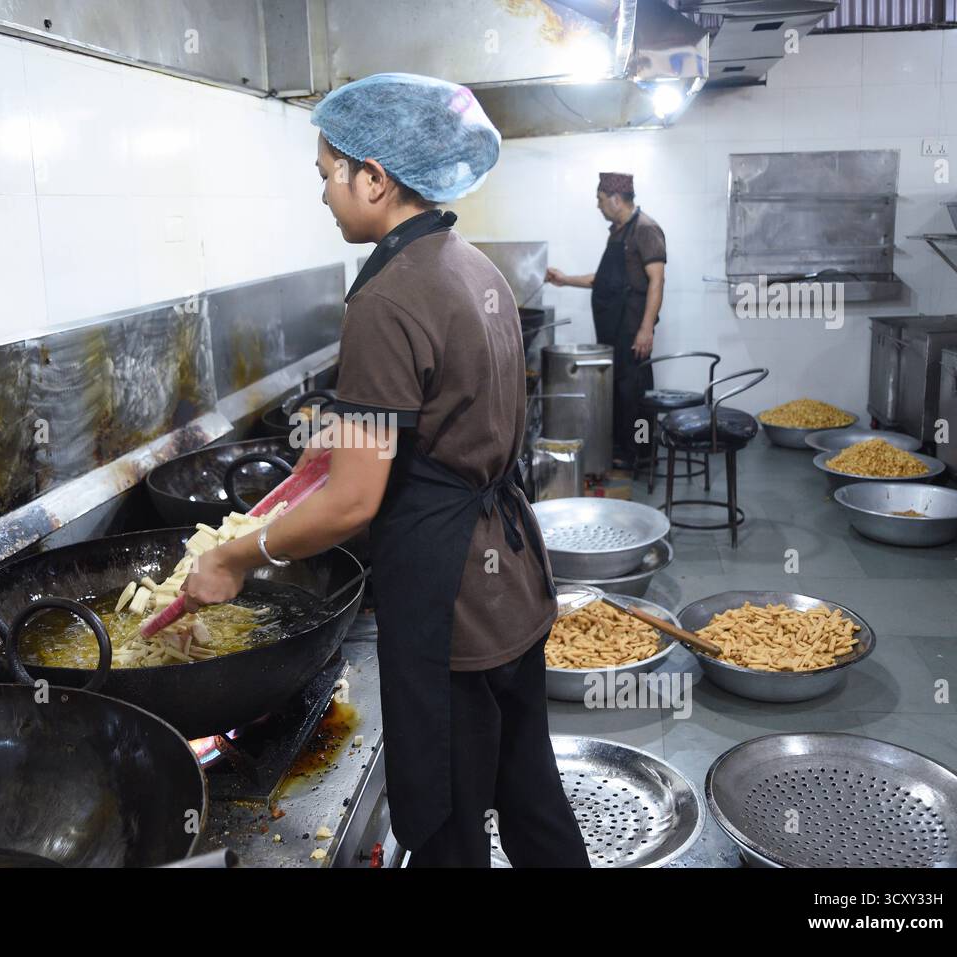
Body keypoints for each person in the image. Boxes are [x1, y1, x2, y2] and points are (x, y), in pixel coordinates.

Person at [179, 73, 590, 868]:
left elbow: (355, 504)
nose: (326, 195)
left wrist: (234, 555)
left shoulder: (386, 298)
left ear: (375, 176)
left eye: (328, 174)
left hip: (449, 610)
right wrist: (341, 437)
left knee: (442, 825)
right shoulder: (471, 267)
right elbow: (450, 417)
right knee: (533, 798)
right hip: (512, 589)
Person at [545, 173, 667, 471]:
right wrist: (565, 280)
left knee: (635, 396)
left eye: (600, 200)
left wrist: (646, 328)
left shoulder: (646, 229)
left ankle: (641, 452)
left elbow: (657, 280)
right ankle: (624, 450)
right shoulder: (618, 232)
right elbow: (606, 281)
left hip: (632, 329)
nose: (598, 206)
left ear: (615, 198)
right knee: (620, 395)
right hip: (613, 330)